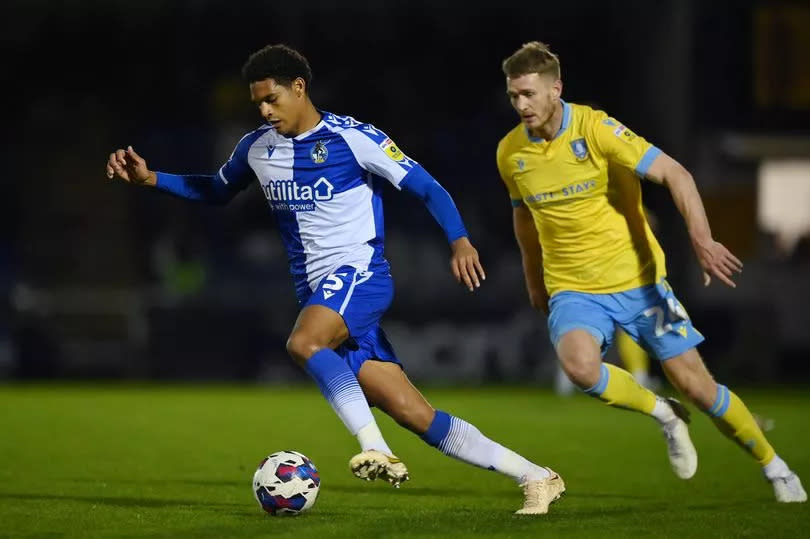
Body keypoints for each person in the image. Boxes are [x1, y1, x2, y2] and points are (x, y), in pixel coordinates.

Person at [106, 43, 564, 514]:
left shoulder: (353, 138)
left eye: (272, 99)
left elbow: (426, 185)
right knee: (417, 415)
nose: (264, 111)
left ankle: (375, 448)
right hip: (320, 293)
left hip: (359, 274)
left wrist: (460, 240)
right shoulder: (257, 149)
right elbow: (218, 190)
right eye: (258, 103)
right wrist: (150, 179)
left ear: (299, 88)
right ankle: (536, 476)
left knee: (303, 344)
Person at [495, 41, 805, 503]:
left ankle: (775, 467)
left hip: (640, 284)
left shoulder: (597, 129)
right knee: (580, 367)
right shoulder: (510, 153)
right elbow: (523, 220)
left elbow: (677, 174)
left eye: (528, 94)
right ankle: (663, 413)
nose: (521, 104)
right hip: (573, 289)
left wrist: (702, 240)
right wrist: (533, 279)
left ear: (555, 89)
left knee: (700, 388)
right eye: (513, 95)